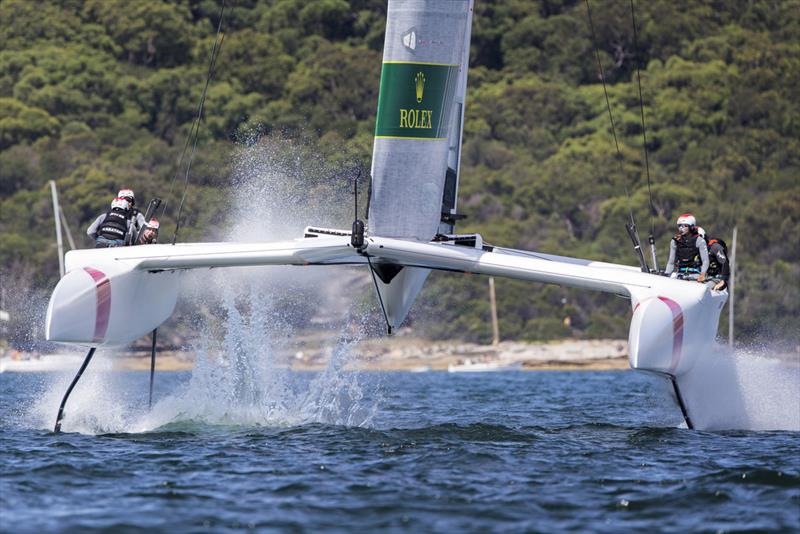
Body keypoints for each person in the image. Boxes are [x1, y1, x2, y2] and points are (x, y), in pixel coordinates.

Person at [664, 213, 709, 282]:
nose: (681, 228)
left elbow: (705, 261)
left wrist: (702, 274)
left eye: (684, 226)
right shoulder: (675, 241)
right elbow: (671, 262)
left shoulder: (699, 240)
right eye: (679, 226)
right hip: (680, 275)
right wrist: (666, 275)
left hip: (695, 277)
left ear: (691, 226)